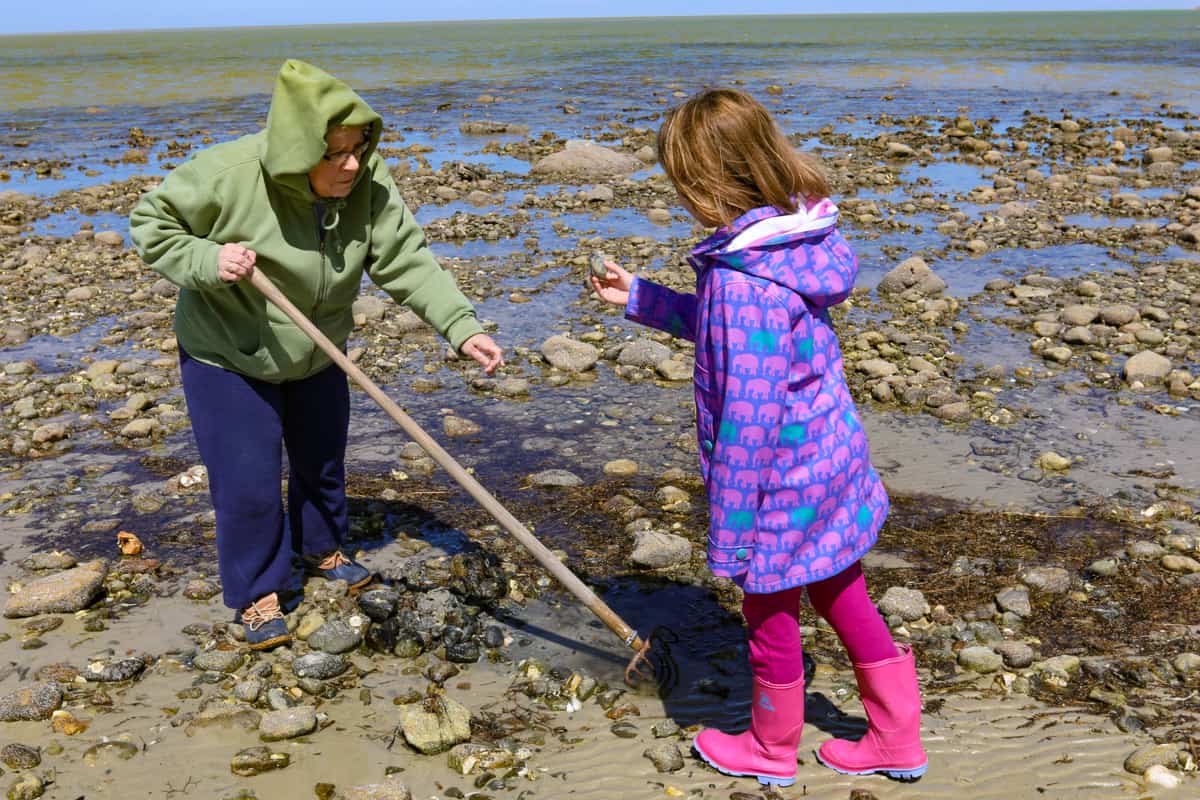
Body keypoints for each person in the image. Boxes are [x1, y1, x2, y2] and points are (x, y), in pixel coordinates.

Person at [590, 89, 926, 786]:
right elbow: (725, 336)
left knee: (768, 610)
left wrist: (732, 533)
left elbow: (748, 417)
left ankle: (772, 750)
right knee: (843, 592)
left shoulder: (745, 282)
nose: (683, 200)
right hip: (830, 462)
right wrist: (645, 299)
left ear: (711, 182)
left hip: (780, 485)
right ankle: (897, 736)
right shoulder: (788, 245)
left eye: (684, 185)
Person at [130, 59, 503, 651]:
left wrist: (461, 327)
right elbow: (152, 222)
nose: (351, 164)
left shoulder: (368, 183)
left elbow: (405, 258)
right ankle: (258, 593)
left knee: (322, 461)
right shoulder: (228, 174)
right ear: (298, 150)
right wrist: (207, 262)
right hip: (230, 354)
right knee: (248, 481)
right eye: (334, 153)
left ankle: (323, 549)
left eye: (358, 148)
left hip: (318, 348)